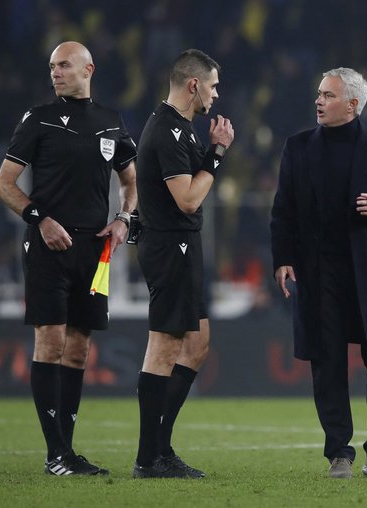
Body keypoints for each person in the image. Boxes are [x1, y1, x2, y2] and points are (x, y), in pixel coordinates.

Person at [0, 41, 137, 476]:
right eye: (52, 66)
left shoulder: (112, 122)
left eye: (64, 65)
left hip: (95, 250)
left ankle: (67, 452)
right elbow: (4, 184)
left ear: (88, 68)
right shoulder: (37, 119)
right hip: (48, 247)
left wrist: (124, 219)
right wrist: (41, 219)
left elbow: (132, 181)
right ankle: (55, 454)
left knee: (78, 350)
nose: (55, 73)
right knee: (51, 341)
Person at [270, 68, 367, 479]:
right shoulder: (297, 148)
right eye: (318, 93)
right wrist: (282, 258)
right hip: (319, 274)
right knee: (327, 360)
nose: (318, 101)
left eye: (328, 95)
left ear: (352, 104)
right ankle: (339, 452)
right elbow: (282, 211)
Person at [132, 49, 234, 479]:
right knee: (164, 347)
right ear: (193, 84)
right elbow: (187, 199)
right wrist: (217, 155)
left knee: (196, 344)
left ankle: (160, 448)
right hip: (170, 246)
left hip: (183, 246)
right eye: (211, 85)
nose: (215, 94)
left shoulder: (182, 129)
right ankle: (148, 457)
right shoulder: (169, 132)